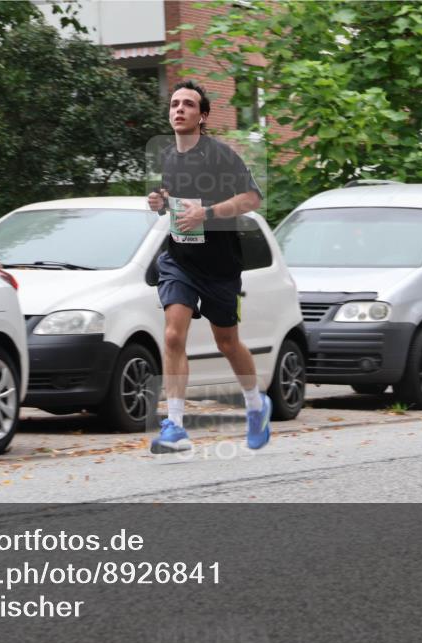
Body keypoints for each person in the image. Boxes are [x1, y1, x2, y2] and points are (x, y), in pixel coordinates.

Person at [146, 80, 270, 454]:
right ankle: (175, 425)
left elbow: (251, 199)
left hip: (219, 264)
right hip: (180, 260)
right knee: (172, 335)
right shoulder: (169, 156)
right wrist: (161, 202)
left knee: (226, 342)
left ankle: (255, 404)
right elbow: (178, 201)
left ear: (202, 116)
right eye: (174, 104)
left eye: (188, 104)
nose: (179, 109)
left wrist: (209, 213)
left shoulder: (220, 155)